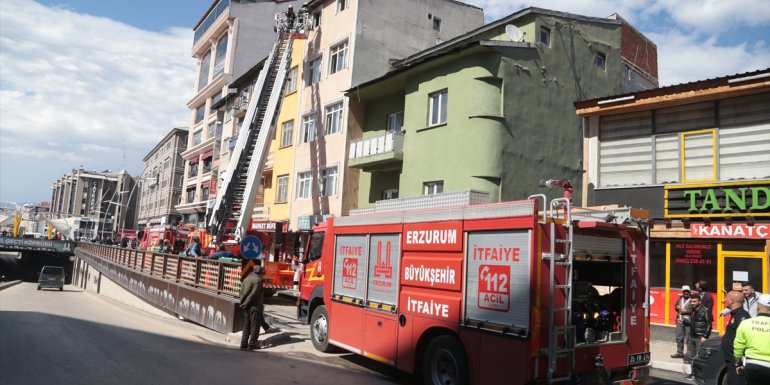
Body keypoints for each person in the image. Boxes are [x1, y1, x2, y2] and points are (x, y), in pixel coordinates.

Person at [733, 294, 770, 385]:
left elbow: (738, 346)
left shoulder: (746, 323)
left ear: (758, 307)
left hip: (752, 366)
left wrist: (738, 363)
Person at [721, 291, 750, 385]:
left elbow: (745, 338)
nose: (724, 300)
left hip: (737, 361)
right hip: (731, 360)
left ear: (732, 301)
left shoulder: (742, 315)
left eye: (727, 298)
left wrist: (739, 361)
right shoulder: (735, 314)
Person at [684, 291, 712, 379]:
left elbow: (709, 325)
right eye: (691, 301)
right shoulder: (693, 311)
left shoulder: (705, 311)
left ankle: (701, 375)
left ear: (699, 301)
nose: (692, 303)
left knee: (700, 357)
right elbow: (695, 322)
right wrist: (685, 321)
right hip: (692, 336)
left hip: (700, 337)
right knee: (692, 356)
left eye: (694, 301)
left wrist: (705, 336)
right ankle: (693, 374)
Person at [239, 263, 266, 350]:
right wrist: (246, 303)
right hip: (255, 306)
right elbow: (254, 294)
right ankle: (252, 344)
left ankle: (243, 344)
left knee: (246, 325)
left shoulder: (246, 279)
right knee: (255, 326)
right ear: (261, 272)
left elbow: (242, 292)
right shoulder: (259, 280)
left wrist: (242, 302)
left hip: (245, 306)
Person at [671, 285, 692, 359]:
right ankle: (679, 352)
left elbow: (695, 310)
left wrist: (686, 311)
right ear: (682, 292)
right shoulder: (680, 298)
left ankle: (689, 354)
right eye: (684, 291)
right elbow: (676, 306)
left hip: (689, 321)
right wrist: (677, 307)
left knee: (689, 338)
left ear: (690, 291)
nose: (686, 292)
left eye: (687, 291)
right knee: (679, 337)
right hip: (679, 320)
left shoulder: (692, 299)